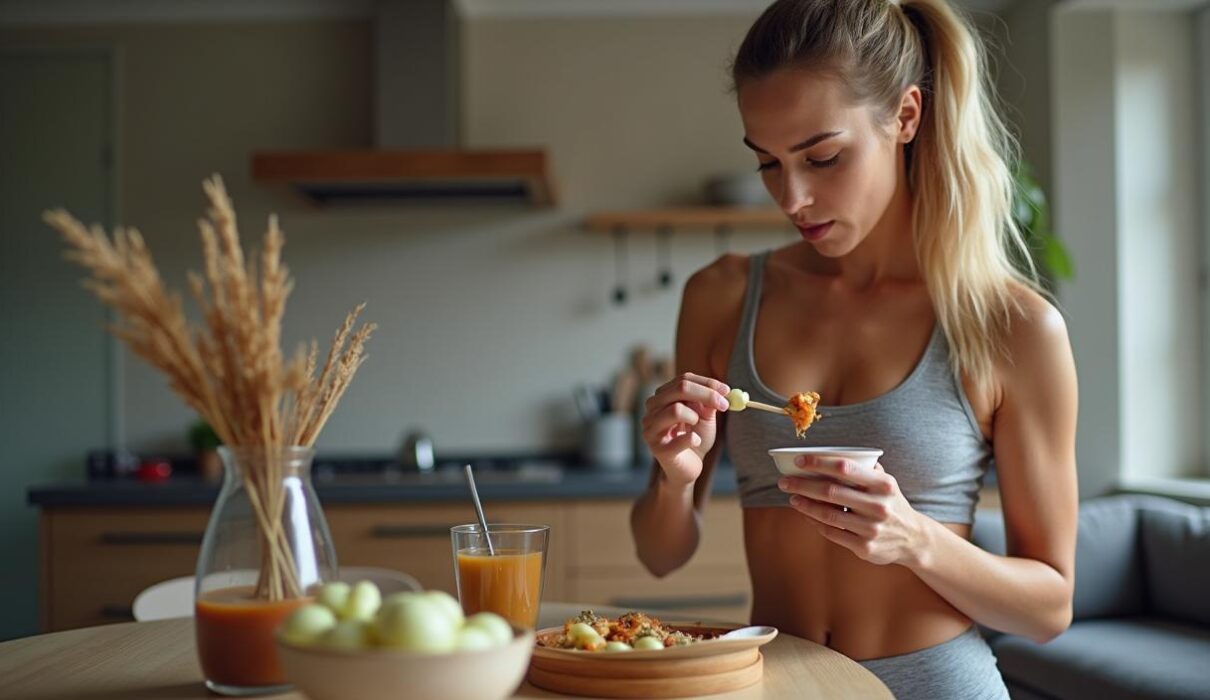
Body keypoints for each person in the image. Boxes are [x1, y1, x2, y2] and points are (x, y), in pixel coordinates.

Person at [629, 1, 1078, 698]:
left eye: (824, 157)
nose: (794, 197)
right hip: (778, 685)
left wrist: (914, 538)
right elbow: (661, 556)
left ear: (905, 116)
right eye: (769, 165)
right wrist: (674, 479)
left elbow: (1050, 606)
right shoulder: (720, 296)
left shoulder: (1013, 326)